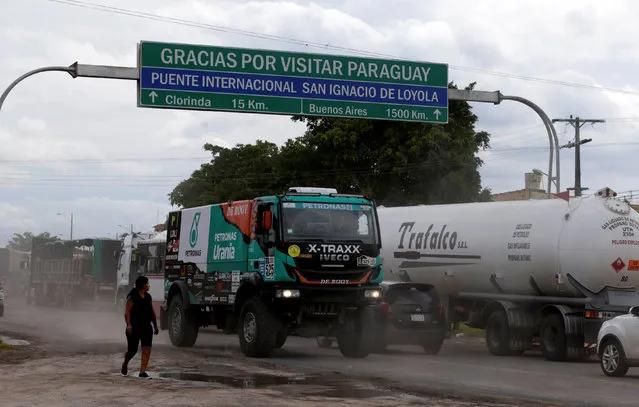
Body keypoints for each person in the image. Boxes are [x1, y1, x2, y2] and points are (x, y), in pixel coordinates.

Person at [121, 275, 159, 378]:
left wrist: (155, 326)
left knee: (146, 349)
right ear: (143, 285)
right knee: (132, 351)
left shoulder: (148, 297)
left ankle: (142, 372)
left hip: (146, 328)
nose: (148, 285)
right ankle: (125, 362)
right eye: (147, 283)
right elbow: (127, 312)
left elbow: (152, 313)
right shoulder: (133, 296)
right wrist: (128, 325)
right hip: (134, 328)